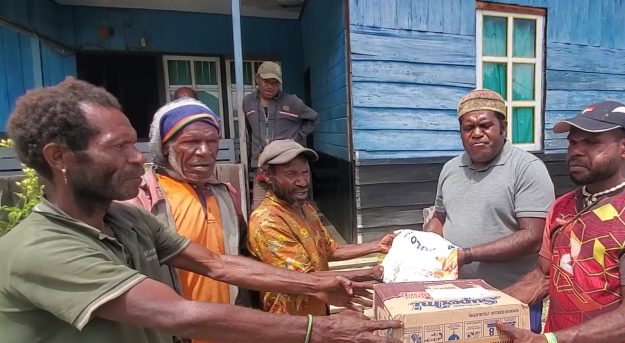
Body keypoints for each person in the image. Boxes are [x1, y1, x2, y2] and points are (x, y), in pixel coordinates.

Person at [0, 78, 400, 343]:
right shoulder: (43, 249)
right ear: (59, 157)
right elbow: (178, 314)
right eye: (118, 147)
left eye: (134, 144)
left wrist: (317, 286)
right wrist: (321, 329)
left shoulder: (126, 220)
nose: (137, 159)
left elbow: (219, 264)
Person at [498, 101, 625, 343]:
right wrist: (485, 304)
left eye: (592, 142)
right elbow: (542, 277)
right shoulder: (561, 207)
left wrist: (551, 340)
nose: (577, 151)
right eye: (573, 142)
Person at [424, 89, 555, 332]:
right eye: (468, 128)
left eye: (485, 125)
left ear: (503, 127)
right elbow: (439, 219)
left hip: (512, 296)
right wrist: (420, 247)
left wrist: (467, 254)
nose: (476, 134)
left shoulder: (526, 168)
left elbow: (533, 237)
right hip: (456, 295)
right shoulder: (451, 169)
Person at [123, 98, 248, 341]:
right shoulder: (142, 199)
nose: (205, 151)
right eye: (191, 142)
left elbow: (240, 257)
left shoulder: (225, 194)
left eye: (211, 141)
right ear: (165, 147)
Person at [248, 139, 396, 315]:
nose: (302, 181)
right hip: (290, 323)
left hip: (318, 310)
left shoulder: (305, 208)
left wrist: (377, 246)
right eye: (291, 174)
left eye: (305, 172)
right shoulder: (267, 222)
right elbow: (305, 279)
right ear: (268, 177)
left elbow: (331, 250)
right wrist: (369, 273)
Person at [243, 61, 320, 208]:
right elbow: (250, 129)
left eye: (274, 82)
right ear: (257, 79)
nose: (269, 86)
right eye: (266, 81)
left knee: (294, 206)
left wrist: (296, 139)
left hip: (287, 165)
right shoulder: (248, 102)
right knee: (259, 207)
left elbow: (314, 118)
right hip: (261, 164)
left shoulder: (292, 102)